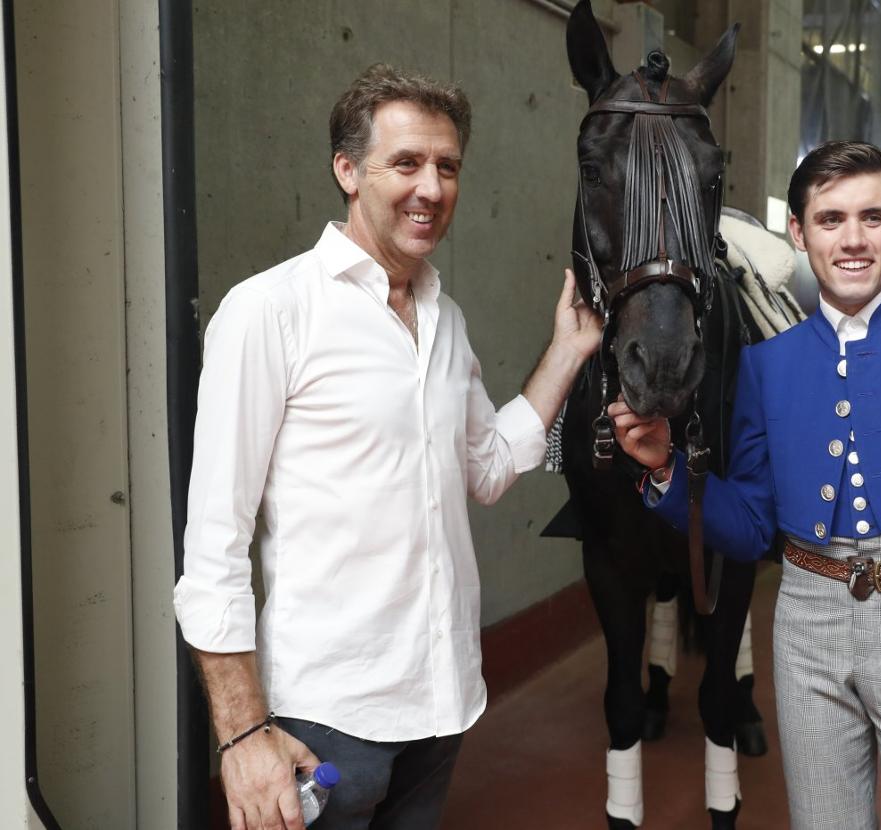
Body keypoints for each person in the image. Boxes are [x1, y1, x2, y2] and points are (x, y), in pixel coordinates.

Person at [172, 65, 601, 830]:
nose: (431, 187)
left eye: (447, 166)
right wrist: (241, 734)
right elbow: (214, 546)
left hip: (441, 707)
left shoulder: (446, 317)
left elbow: (488, 467)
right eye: (405, 163)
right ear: (346, 170)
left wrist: (567, 351)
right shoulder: (271, 311)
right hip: (325, 719)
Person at [609, 141, 881, 829]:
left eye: (872, 217)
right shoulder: (767, 366)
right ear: (799, 231)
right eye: (831, 219)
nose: (852, 239)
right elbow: (750, 527)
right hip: (806, 629)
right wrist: (666, 470)